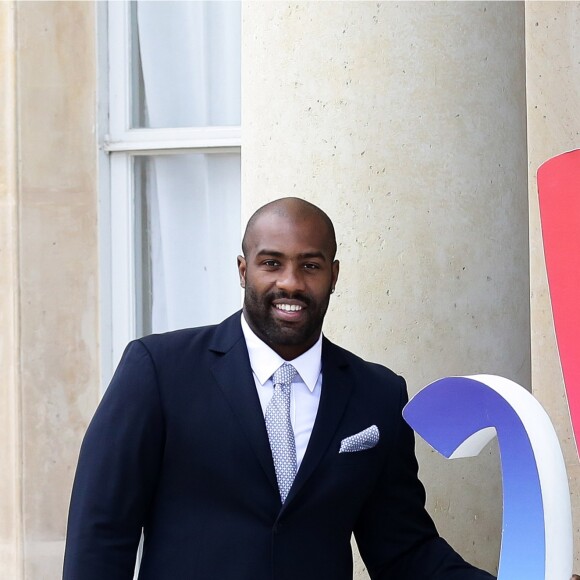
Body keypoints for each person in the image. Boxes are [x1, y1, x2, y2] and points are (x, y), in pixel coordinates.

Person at [63, 197, 498, 579]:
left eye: (310, 265)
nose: (290, 282)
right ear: (242, 269)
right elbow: (100, 534)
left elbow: (405, 552)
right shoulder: (158, 370)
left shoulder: (377, 394)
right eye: (271, 263)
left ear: (334, 274)